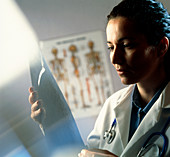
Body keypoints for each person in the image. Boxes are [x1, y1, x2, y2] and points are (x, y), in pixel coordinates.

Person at [29, 0, 170, 156]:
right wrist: (49, 123)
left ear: (162, 46)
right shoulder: (113, 105)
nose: (115, 59)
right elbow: (85, 153)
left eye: (127, 45)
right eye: (111, 47)